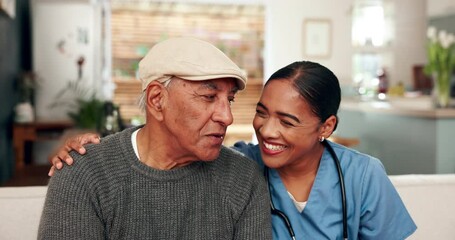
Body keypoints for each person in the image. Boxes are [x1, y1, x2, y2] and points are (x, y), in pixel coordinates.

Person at [50, 61, 417, 239]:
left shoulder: (363, 176)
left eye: (287, 122)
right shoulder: (243, 165)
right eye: (261, 113)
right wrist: (90, 148)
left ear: (326, 127)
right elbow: (168, 146)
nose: (267, 131)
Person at [38, 37, 272, 239]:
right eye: (209, 96)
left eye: (229, 100)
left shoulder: (243, 180)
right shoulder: (83, 174)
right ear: (157, 100)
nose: (227, 117)